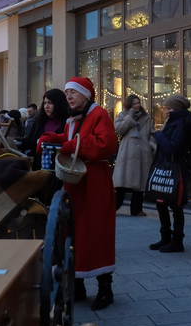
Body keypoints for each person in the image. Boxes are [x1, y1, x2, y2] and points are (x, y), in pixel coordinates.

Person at [37, 77, 117, 311]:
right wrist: (53, 138)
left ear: (86, 95)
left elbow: (107, 145)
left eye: (73, 92)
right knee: (72, 232)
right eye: (67, 92)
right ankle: (78, 286)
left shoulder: (99, 114)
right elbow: (69, 139)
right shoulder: (74, 118)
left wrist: (72, 146)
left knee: (96, 232)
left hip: (94, 183)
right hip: (75, 182)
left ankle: (105, 289)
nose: (68, 96)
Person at [149, 94, 191, 253]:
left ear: (177, 109)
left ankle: (177, 241)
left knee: (175, 205)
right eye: (166, 108)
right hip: (166, 167)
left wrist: (158, 135)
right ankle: (165, 237)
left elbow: (173, 147)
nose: (166, 111)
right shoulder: (175, 121)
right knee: (161, 202)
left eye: (169, 108)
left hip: (176, 169)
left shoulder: (182, 123)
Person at [113, 95, 156, 216]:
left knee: (140, 185)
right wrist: (129, 117)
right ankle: (113, 208)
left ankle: (136, 210)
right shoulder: (122, 115)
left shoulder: (146, 117)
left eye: (138, 103)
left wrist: (151, 145)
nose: (136, 106)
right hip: (127, 153)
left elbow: (152, 133)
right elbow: (119, 129)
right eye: (134, 104)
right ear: (128, 105)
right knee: (121, 185)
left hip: (143, 153)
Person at [18, 89, 68, 170]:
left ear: (59, 104)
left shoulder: (68, 122)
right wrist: (14, 142)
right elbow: (30, 141)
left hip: (60, 168)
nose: (46, 106)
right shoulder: (40, 121)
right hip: (38, 168)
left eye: (50, 103)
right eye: (45, 103)